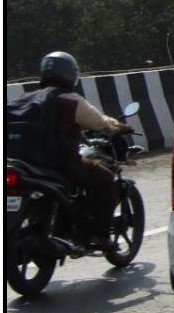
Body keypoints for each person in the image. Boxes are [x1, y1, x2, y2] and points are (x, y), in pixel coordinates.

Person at [39, 51, 130, 251]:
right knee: (107, 179)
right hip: (61, 164)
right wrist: (118, 127)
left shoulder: (26, 100)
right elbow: (99, 122)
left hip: (29, 165)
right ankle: (100, 236)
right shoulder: (70, 101)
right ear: (70, 74)